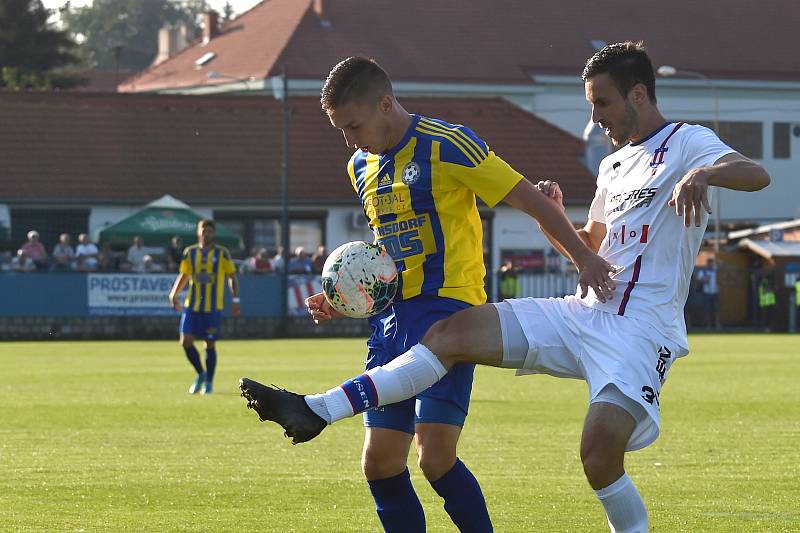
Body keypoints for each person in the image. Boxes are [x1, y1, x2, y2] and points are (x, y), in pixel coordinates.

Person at [239, 44, 770, 533]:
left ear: (638, 94)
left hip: (642, 328)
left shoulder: (687, 142)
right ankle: (318, 408)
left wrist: (704, 176)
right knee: (453, 332)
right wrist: (558, 221)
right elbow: (594, 247)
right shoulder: (612, 166)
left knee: (598, 457)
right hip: (584, 313)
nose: (594, 118)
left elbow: (754, 174)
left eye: (601, 103)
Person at [241, 56, 615, 533]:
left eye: (353, 125)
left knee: (435, 457)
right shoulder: (361, 165)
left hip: (448, 314)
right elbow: (386, 252)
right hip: (392, 320)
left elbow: (529, 198)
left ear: (385, 103)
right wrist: (347, 299)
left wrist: (584, 258)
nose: (349, 139)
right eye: (341, 130)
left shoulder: (447, 144)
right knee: (379, 462)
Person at [168, 219, 240, 395]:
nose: (206, 234)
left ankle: (209, 383)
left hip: (212, 307)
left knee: (209, 344)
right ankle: (201, 373)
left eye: (209, 231)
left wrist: (236, 300)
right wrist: (173, 294)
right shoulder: (190, 252)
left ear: (213, 234)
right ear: (198, 233)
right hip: (192, 305)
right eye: (203, 231)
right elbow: (184, 275)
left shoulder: (222, 253)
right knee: (185, 341)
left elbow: (231, 276)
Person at [695, 257, 721, 329]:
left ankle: (717, 324)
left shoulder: (715, 270)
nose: (712, 264)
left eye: (713, 263)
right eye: (711, 263)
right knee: (707, 310)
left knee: (716, 309)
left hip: (715, 292)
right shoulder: (703, 271)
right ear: (708, 264)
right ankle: (708, 325)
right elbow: (698, 280)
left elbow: (721, 264)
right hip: (706, 293)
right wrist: (705, 279)